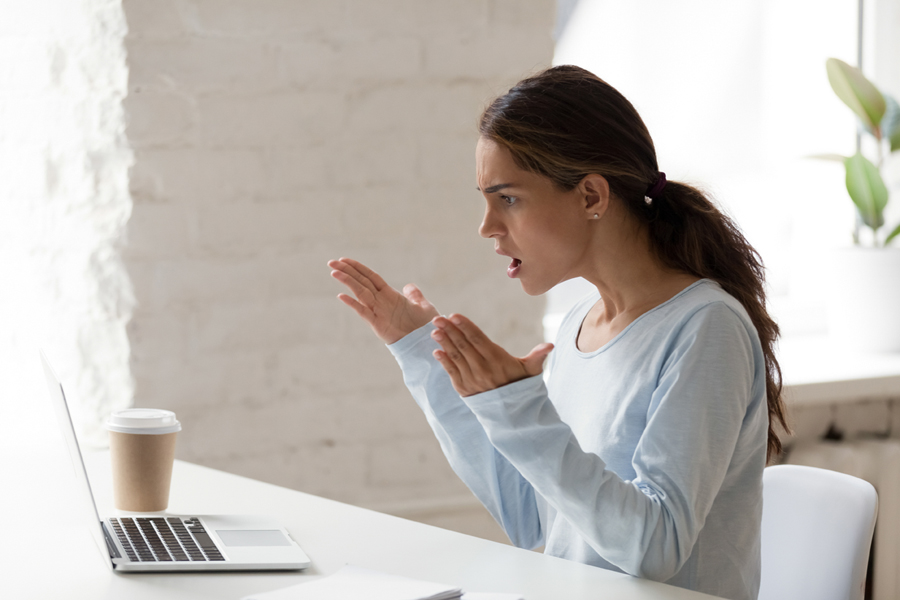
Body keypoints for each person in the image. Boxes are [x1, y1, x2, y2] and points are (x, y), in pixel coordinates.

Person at [328, 65, 788, 600]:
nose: (487, 226)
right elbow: (535, 521)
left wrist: (520, 409)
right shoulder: (578, 329)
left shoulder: (706, 329)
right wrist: (427, 359)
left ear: (591, 196)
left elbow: (654, 549)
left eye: (508, 198)